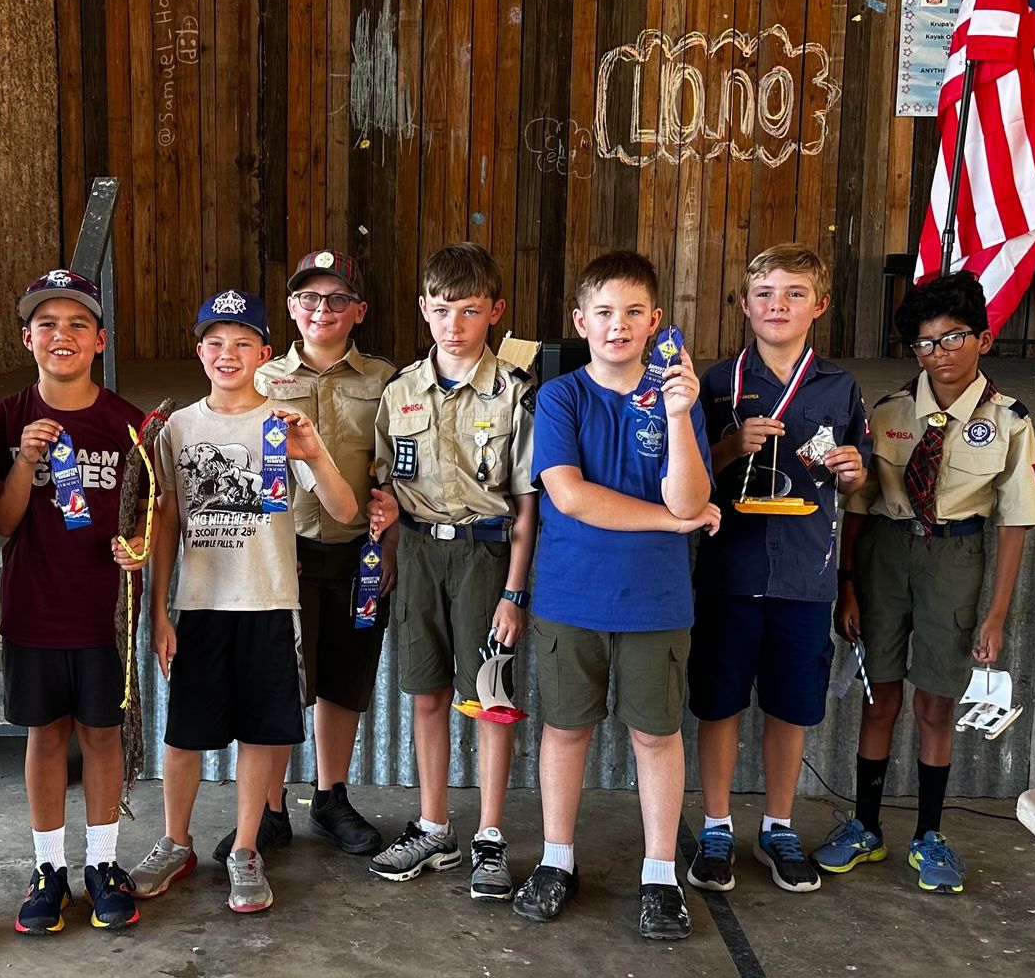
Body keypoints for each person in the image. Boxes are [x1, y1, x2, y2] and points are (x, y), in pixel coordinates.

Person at [814, 272, 1035, 894]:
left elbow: (1015, 521)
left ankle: (929, 834)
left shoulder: (1007, 422)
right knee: (879, 696)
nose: (938, 354)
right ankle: (865, 826)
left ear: (985, 339)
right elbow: (858, 508)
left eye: (953, 339)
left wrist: (996, 615)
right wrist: (848, 587)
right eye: (924, 343)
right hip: (885, 559)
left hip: (956, 557)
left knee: (936, 701)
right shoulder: (887, 411)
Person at [128, 290, 357, 913]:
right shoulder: (178, 427)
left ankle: (246, 848)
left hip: (270, 601)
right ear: (198, 350)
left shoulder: (283, 425)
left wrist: (315, 453)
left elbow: (343, 510)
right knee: (183, 734)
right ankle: (176, 840)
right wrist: (160, 611)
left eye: (241, 343)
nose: (227, 354)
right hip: (200, 605)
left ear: (264, 352)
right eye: (215, 343)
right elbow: (169, 520)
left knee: (263, 730)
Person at [515, 250, 716, 939]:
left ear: (656, 321)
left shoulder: (676, 400)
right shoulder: (561, 396)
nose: (618, 324)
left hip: (657, 601)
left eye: (634, 311)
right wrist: (673, 521)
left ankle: (660, 875)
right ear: (581, 321)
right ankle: (556, 859)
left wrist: (683, 415)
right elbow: (569, 496)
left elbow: (691, 494)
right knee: (565, 727)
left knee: (656, 736)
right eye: (603, 312)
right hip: (571, 597)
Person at [686, 244, 870, 896]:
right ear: (743, 304)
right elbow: (685, 477)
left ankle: (779, 824)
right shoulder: (714, 383)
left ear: (819, 305)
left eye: (794, 293)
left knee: (791, 708)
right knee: (720, 704)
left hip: (804, 576)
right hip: (728, 572)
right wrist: (731, 445)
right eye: (764, 293)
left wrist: (855, 469)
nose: (778, 305)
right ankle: (714, 825)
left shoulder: (839, 387)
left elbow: (860, 471)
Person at [200, 249, 394, 863]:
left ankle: (331, 797)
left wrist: (388, 537)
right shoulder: (259, 378)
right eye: (309, 298)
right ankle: (271, 807)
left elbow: (394, 472)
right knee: (283, 681)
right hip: (285, 558)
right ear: (290, 308)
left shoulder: (386, 382)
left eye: (337, 299)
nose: (322, 309)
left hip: (357, 555)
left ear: (358, 311)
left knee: (343, 676)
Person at [366, 242, 538, 903]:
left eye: (469, 310)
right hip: (416, 552)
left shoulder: (515, 392)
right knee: (427, 691)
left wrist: (514, 592)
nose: (454, 325)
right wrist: (385, 558)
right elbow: (384, 483)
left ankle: (489, 832)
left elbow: (527, 503)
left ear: (494, 311)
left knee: (489, 697)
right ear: (423, 309)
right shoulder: (400, 390)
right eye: (441, 309)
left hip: (484, 554)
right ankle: (435, 824)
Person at [0, 271, 148, 932]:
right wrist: (24, 461)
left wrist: (140, 546)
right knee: (45, 735)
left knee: (102, 737)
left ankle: (102, 862)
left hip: (103, 612)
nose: (63, 336)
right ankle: (48, 865)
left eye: (78, 324)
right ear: (27, 338)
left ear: (101, 339)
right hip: (34, 608)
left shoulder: (129, 423)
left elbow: (152, 515)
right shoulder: (6, 417)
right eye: (47, 325)